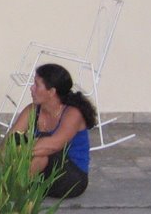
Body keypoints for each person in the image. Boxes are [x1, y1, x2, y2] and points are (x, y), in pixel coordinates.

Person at [7, 63, 95, 199]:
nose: (31, 88)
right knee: (19, 141)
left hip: (71, 179)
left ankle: (10, 191)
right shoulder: (32, 110)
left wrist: (18, 152)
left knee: (43, 153)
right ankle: (9, 186)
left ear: (51, 92)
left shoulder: (73, 114)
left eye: (36, 85)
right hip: (43, 175)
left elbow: (54, 145)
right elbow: (9, 141)